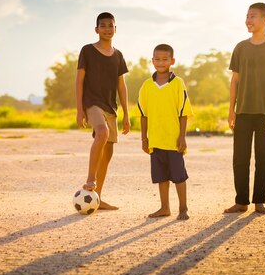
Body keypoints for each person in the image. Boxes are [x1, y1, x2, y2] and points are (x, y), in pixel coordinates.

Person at [224, 2, 265, 215]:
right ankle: (241, 201)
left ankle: (259, 201)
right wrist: (231, 110)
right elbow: (235, 81)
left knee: (263, 158)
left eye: (253, 16)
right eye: (247, 16)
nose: (248, 20)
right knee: (239, 158)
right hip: (242, 111)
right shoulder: (241, 47)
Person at [76, 12, 130, 210]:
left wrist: (126, 114)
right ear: (96, 29)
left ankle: (97, 197)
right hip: (92, 103)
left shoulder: (118, 55)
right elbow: (79, 80)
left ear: (115, 29)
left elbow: (121, 86)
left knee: (107, 154)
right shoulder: (87, 51)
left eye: (110, 25)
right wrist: (79, 109)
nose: (107, 28)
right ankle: (90, 180)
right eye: (103, 25)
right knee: (102, 132)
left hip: (111, 107)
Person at [138, 44, 192, 220]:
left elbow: (183, 112)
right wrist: (144, 139)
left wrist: (182, 136)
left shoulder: (178, 83)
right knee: (161, 176)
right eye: (157, 59)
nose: (161, 62)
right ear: (152, 61)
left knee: (178, 176)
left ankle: (183, 208)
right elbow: (143, 115)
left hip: (173, 139)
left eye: (165, 59)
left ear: (172, 61)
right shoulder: (146, 86)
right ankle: (164, 207)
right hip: (155, 139)